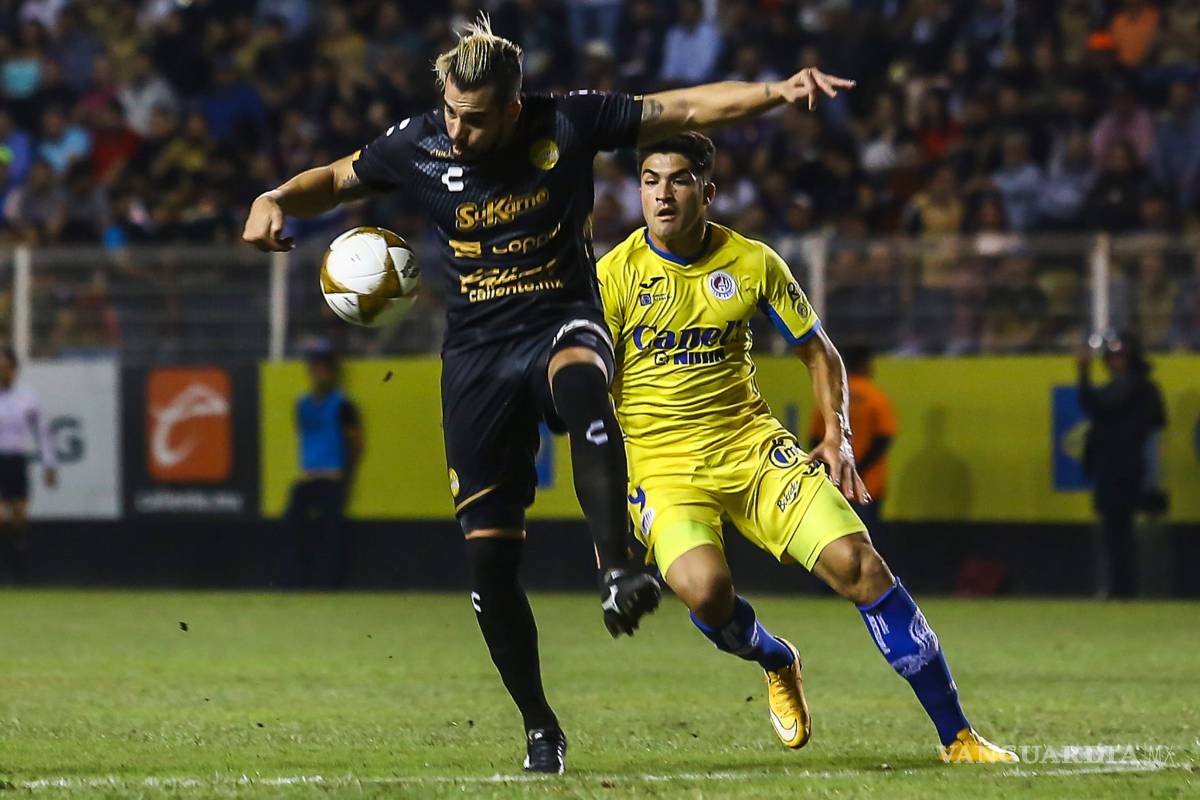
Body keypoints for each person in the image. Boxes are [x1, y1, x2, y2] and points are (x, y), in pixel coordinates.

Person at [241, 13, 855, 774]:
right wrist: (274, 195)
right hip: (476, 357)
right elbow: (335, 180)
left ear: (513, 104)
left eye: (475, 118)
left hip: (560, 318)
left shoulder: (567, 121)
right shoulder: (420, 143)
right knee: (490, 565)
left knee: (584, 383)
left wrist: (775, 92)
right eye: (450, 113)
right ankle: (540, 727)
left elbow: (684, 107)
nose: (458, 131)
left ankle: (617, 567)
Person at [597, 133, 1017, 763]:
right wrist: (609, 529)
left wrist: (836, 434)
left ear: (707, 192)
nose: (663, 194)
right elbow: (589, 387)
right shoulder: (613, 276)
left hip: (751, 448)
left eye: (679, 180)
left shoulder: (753, 263)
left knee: (860, 566)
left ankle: (958, 737)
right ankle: (776, 658)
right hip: (663, 467)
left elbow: (819, 352)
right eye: (651, 180)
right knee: (706, 593)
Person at [1077, 331, 1167, 598]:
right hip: (1114, 471)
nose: (1116, 361)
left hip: (1127, 471)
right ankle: (1120, 588)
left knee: (1123, 533)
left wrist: (1083, 374)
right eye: (1112, 356)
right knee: (1115, 533)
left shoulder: (1138, 388)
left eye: (1121, 356)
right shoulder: (1128, 387)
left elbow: (1098, 406)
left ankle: (1125, 589)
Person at [279, 346, 362, 589]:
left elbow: (356, 444)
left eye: (324, 368)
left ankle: (327, 584)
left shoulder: (342, 405)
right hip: (307, 476)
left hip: (332, 478)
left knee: (330, 534)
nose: (319, 372)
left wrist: (345, 476)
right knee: (290, 528)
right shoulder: (302, 404)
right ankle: (291, 581)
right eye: (315, 367)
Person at [809, 346, 896, 533]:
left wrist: (834, 471)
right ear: (865, 365)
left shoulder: (832, 398)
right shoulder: (876, 397)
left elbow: (816, 440)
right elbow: (884, 438)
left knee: (835, 537)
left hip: (836, 484)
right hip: (868, 484)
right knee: (868, 540)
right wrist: (859, 468)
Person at [0, 346, 58, 582]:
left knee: (19, 515)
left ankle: (17, 552)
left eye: (5, 367)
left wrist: (49, 463)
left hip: (16, 460)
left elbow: (42, 432)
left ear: (14, 369)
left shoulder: (27, 398)